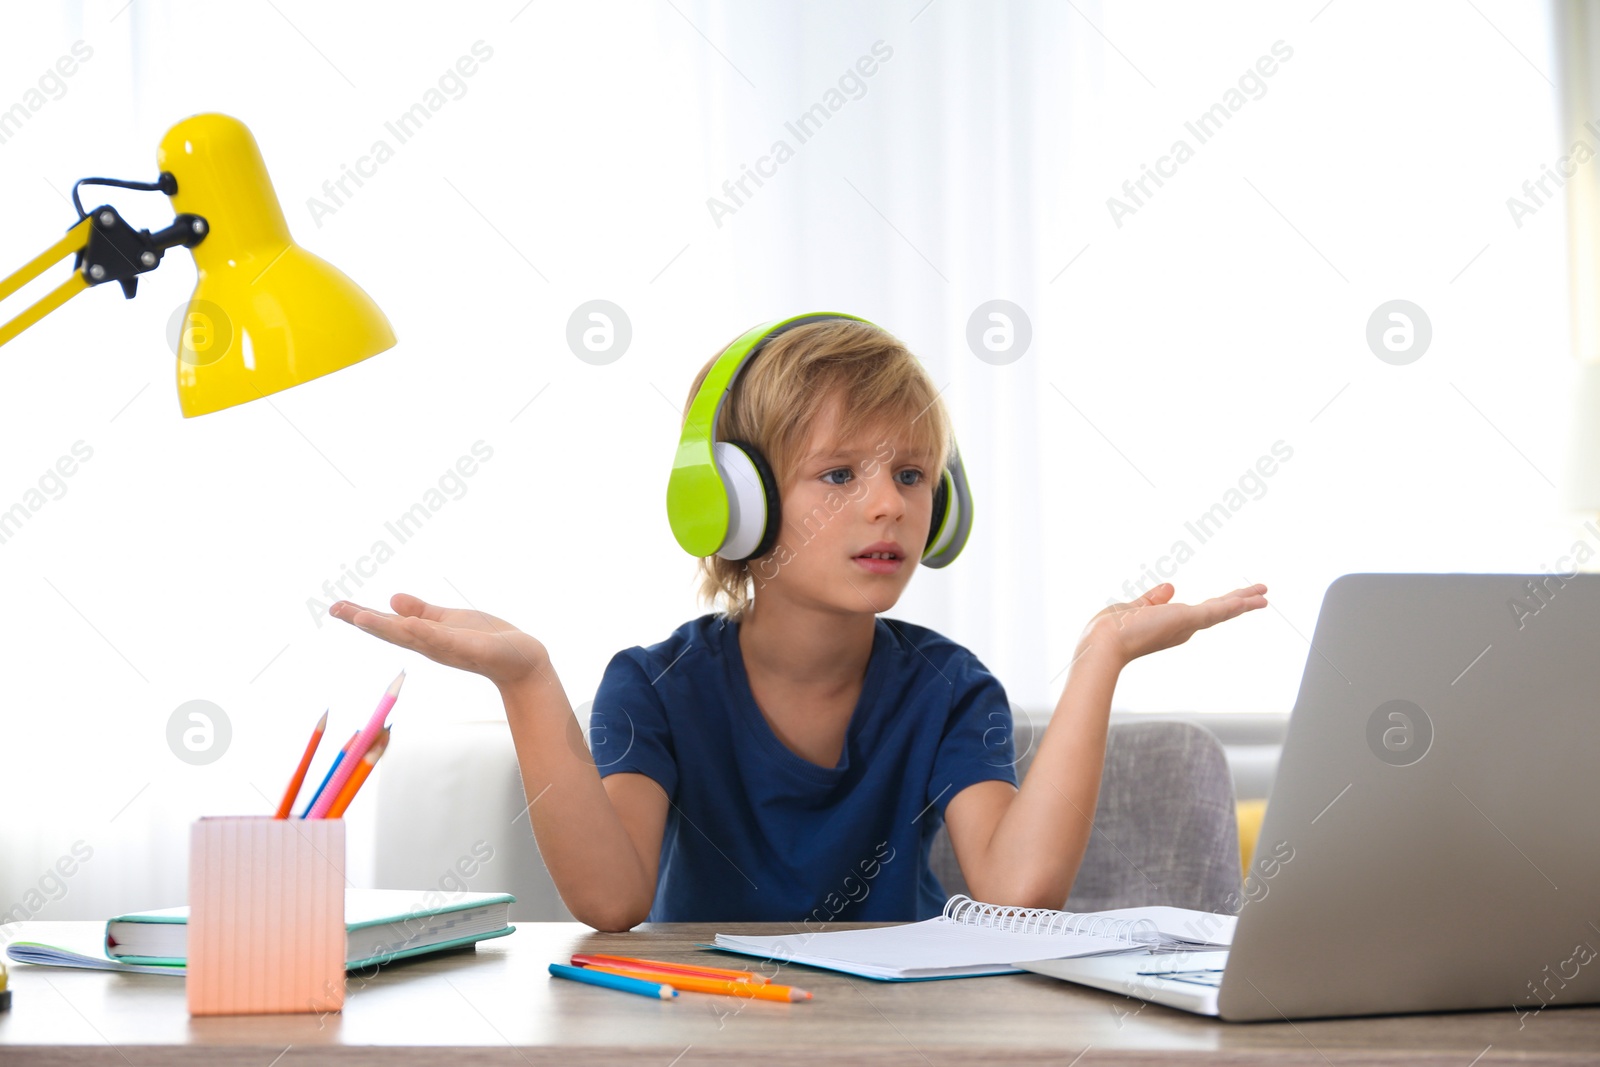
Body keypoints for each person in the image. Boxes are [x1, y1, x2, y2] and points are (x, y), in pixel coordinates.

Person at [329, 317, 1266, 931]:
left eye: (910, 476)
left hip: (895, 1032)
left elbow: (1020, 889)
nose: (889, 506)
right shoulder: (656, 687)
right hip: (709, 1028)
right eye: (838, 474)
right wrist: (526, 678)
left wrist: (1101, 657)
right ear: (731, 506)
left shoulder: (947, 687)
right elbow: (611, 900)